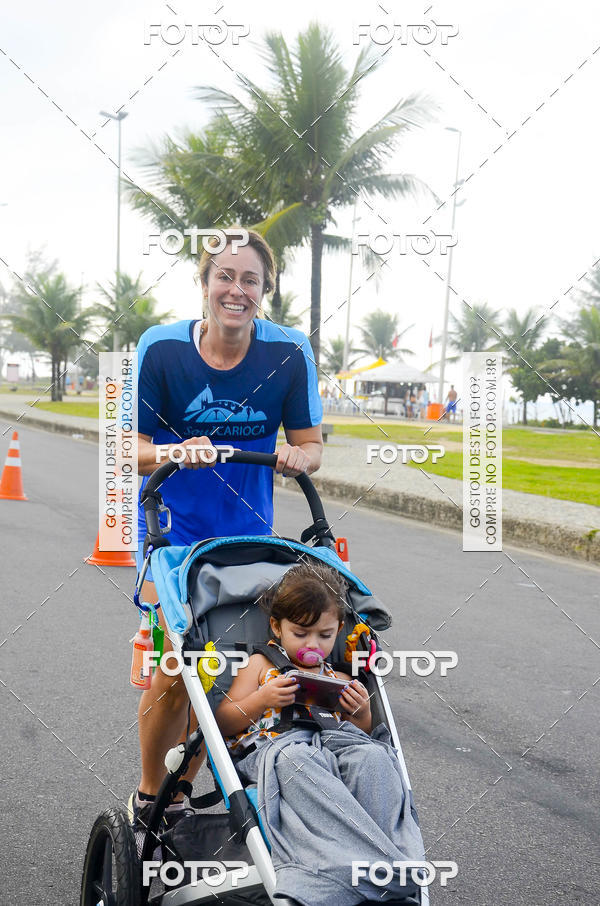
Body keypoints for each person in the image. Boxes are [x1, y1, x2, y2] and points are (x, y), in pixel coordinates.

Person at [129, 229, 325, 841]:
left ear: (265, 291)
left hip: (248, 543)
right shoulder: (160, 349)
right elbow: (129, 450)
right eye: (225, 277)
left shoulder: (288, 351)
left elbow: (311, 445)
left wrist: (299, 459)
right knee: (175, 668)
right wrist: (171, 449)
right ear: (205, 283)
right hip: (176, 539)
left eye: (250, 280)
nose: (236, 290)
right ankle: (149, 794)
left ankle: (185, 783)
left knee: (238, 675)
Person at [215, 562, 425, 906]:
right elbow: (222, 721)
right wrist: (261, 699)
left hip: (331, 746)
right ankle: (378, 871)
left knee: (373, 757)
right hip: (278, 750)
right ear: (276, 626)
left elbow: (360, 734)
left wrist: (362, 712)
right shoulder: (261, 665)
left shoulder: (337, 676)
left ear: (338, 629)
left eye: (325, 636)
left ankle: (374, 863)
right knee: (299, 758)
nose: (312, 644)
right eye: (300, 633)